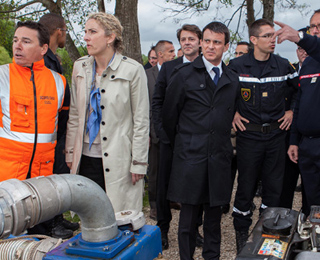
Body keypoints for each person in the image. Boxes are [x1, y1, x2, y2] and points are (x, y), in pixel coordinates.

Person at [162, 21, 239, 260]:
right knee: (187, 220)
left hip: (218, 158)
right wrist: (186, 146)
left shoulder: (232, 78)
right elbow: (169, 117)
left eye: (217, 42)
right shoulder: (183, 75)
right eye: (207, 41)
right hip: (190, 157)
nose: (210, 46)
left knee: (214, 220)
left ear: (226, 46)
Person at [65, 12, 149, 213]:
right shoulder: (80, 67)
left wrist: (138, 162)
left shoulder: (133, 70)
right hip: (85, 156)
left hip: (120, 158)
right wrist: (70, 152)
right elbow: (75, 114)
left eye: (92, 32)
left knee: (120, 216)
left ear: (110, 37)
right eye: (85, 31)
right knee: (90, 215)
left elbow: (141, 120)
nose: (86, 37)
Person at [229, 18, 298, 254]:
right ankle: (241, 233)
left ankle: (267, 232)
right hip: (249, 138)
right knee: (245, 187)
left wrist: (291, 110)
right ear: (253, 40)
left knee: (273, 188)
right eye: (267, 36)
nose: (273, 40)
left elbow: (298, 92)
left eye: (274, 35)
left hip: (277, 137)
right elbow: (223, 95)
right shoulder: (236, 66)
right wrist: (232, 113)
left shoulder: (284, 66)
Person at [152, 24, 202, 250]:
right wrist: (162, 133)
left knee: (196, 186)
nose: (187, 42)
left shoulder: (206, 67)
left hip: (196, 141)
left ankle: (194, 231)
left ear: (200, 41)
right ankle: (162, 230)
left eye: (192, 38)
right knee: (163, 186)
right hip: (169, 140)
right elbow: (157, 102)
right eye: (183, 39)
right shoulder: (169, 67)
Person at [0, 20, 66, 182]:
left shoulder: (59, 81)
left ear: (43, 49)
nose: (17, 46)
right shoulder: (2, 76)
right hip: (7, 173)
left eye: (26, 41)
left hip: (42, 173)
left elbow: (63, 125)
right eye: (15, 40)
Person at [273, 9, 320, 216]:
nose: (315, 30)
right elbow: (299, 103)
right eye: (312, 27)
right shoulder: (308, 63)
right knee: (312, 204)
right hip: (307, 145)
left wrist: (299, 37)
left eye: (319, 26)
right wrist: (294, 141)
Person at [38, 13, 79, 239]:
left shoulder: (53, 58)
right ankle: (49, 225)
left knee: (58, 174)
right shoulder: (44, 60)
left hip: (58, 130)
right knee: (49, 179)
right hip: (49, 131)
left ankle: (57, 218)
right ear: (59, 32)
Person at [146, 40, 175, 221]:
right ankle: (154, 205)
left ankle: (170, 199)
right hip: (154, 132)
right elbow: (145, 106)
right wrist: (150, 132)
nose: (174, 54)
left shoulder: (177, 72)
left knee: (171, 169)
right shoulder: (146, 75)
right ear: (161, 54)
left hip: (174, 132)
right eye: (171, 51)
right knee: (155, 171)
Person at [279, 42, 308, 210]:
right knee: (286, 184)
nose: (303, 53)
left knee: (310, 187)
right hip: (288, 135)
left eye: (306, 49)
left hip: (310, 137)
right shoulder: (288, 70)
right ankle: (284, 221)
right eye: (300, 49)